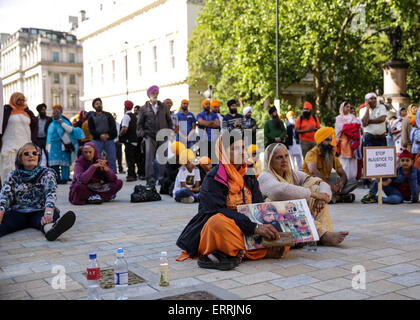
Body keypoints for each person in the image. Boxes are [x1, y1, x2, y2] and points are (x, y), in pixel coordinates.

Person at [176, 131, 288, 270]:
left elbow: (258, 205)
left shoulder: (249, 174)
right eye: (235, 148)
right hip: (228, 228)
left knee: (281, 220)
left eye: (242, 147)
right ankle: (257, 250)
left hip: (249, 226)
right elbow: (216, 211)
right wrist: (256, 228)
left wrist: (264, 223)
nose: (242, 152)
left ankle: (237, 251)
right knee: (217, 223)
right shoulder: (213, 178)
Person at [258, 143, 349, 246]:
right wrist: (314, 195)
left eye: (286, 156)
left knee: (316, 188)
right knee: (282, 202)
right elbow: (279, 191)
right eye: (279, 157)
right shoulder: (264, 176)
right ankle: (322, 234)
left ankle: (325, 233)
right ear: (270, 160)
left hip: (292, 216)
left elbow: (320, 182)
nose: (284, 160)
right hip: (271, 219)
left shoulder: (291, 173)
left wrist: (322, 196)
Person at [0, 143, 76, 240]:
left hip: (40, 210)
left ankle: (52, 231)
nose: (31, 155)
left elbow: (50, 193)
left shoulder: (47, 173)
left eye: (34, 153)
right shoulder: (12, 176)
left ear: (38, 157)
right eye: (26, 154)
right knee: (4, 223)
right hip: (18, 212)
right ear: (20, 159)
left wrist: (49, 210)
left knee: (47, 220)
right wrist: (1, 211)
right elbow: (5, 196)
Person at [302, 127, 357, 203]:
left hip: (327, 181)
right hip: (313, 182)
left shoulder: (331, 154)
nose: (330, 143)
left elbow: (342, 174)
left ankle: (332, 196)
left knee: (353, 181)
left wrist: (341, 184)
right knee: (316, 188)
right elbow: (313, 171)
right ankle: (338, 198)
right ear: (320, 141)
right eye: (327, 140)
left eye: (331, 140)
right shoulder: (312, 153)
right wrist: (330, 186)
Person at [137, 85, 173, 187]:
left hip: (163, 136)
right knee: (149, 160)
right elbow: (139, 125)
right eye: (153, 93)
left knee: (163, 160)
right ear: (149, 95)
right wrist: (144, 135)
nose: (155, 95)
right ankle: (150, 181)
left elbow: (169, 121)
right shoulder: (144, 109)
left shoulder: (163, 107)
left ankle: (162, 181)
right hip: (150, 136)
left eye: (156, 93)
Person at [0, 93, 38, 183]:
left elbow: (34, 127)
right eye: (19, 99)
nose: (21, 102)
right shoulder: (6, 111)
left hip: (25, 145)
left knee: (26, 168)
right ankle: (8, 189)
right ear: (13, 99)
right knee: (9, 168)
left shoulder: (28, 113)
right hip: (9, 144)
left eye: (22, 100)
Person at [46, 106, 83, 184]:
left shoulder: (64, 121)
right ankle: (57, 179)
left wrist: (62, 124)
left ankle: (65, 178)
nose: (55, 115)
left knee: (64, 163)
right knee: (54, 164)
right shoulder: (51, 124)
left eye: (57, 113)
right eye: (54, 113)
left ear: (60, 114)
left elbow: (70, 130)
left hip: (63, 145)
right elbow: (48, 137)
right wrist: (47, 146)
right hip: (53, 146)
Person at [88, 98, 118, 173]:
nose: (99, 105)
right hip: (97, 140)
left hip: (109, 140)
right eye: (97, 104)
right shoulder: (91, 117)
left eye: (100, 103)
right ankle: (98, 175)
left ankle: (112, 175)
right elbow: (91, 130)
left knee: (112, 159)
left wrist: (108, 135)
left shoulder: (108, 115)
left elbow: (113, 127)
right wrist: (99, 136)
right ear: (94, 106)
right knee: (96, 159)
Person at [334, 101, 361, 181]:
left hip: (353, 143)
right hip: (343, 143)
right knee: (344, 161)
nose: (348, 108)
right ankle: (344, 179)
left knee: (352, 161)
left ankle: (352, 179)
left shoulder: (353, 117)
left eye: (349, 107)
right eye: (347, 107)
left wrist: (348, 127)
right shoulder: (339, 118)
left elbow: (357, 127)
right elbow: (342, 128)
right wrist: (351, 127)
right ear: (343, 108)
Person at [119, 100, 139, 182]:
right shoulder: (134, 116)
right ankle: (134, 174)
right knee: (133, 158)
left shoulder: (127, 116)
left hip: (129, 140)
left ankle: (131, 175)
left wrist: (120, 135)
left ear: (125, 107)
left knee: (129, 159)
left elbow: (124, 128)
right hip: (134, 140)